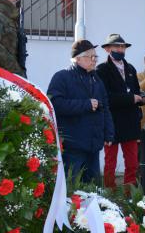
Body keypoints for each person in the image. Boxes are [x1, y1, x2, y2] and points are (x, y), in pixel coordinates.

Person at [47, 40, 114, 184]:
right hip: (73, 146)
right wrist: (85, 104)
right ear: (77, 58)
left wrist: (109, 132)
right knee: (72, 188)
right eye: (90, 57)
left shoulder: (96, 79)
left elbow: (105, 107)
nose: (94, 60)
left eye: (95, 57)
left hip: (93, 146)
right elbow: (55, 104)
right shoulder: (62, 77)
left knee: (93, 190)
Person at [96, 34, 145, 190]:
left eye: (122, 47)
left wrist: (141, 99)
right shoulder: (102, 69)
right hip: (112, 122)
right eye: (116, 47)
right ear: (107, 49)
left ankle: (130, 192)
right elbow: (106, 97)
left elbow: (136, 91)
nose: (120, 49)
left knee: (132, 162)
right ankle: (110, 193)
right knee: (110, 161)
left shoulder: (130, 68)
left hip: (130, 122)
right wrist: (131, 98)